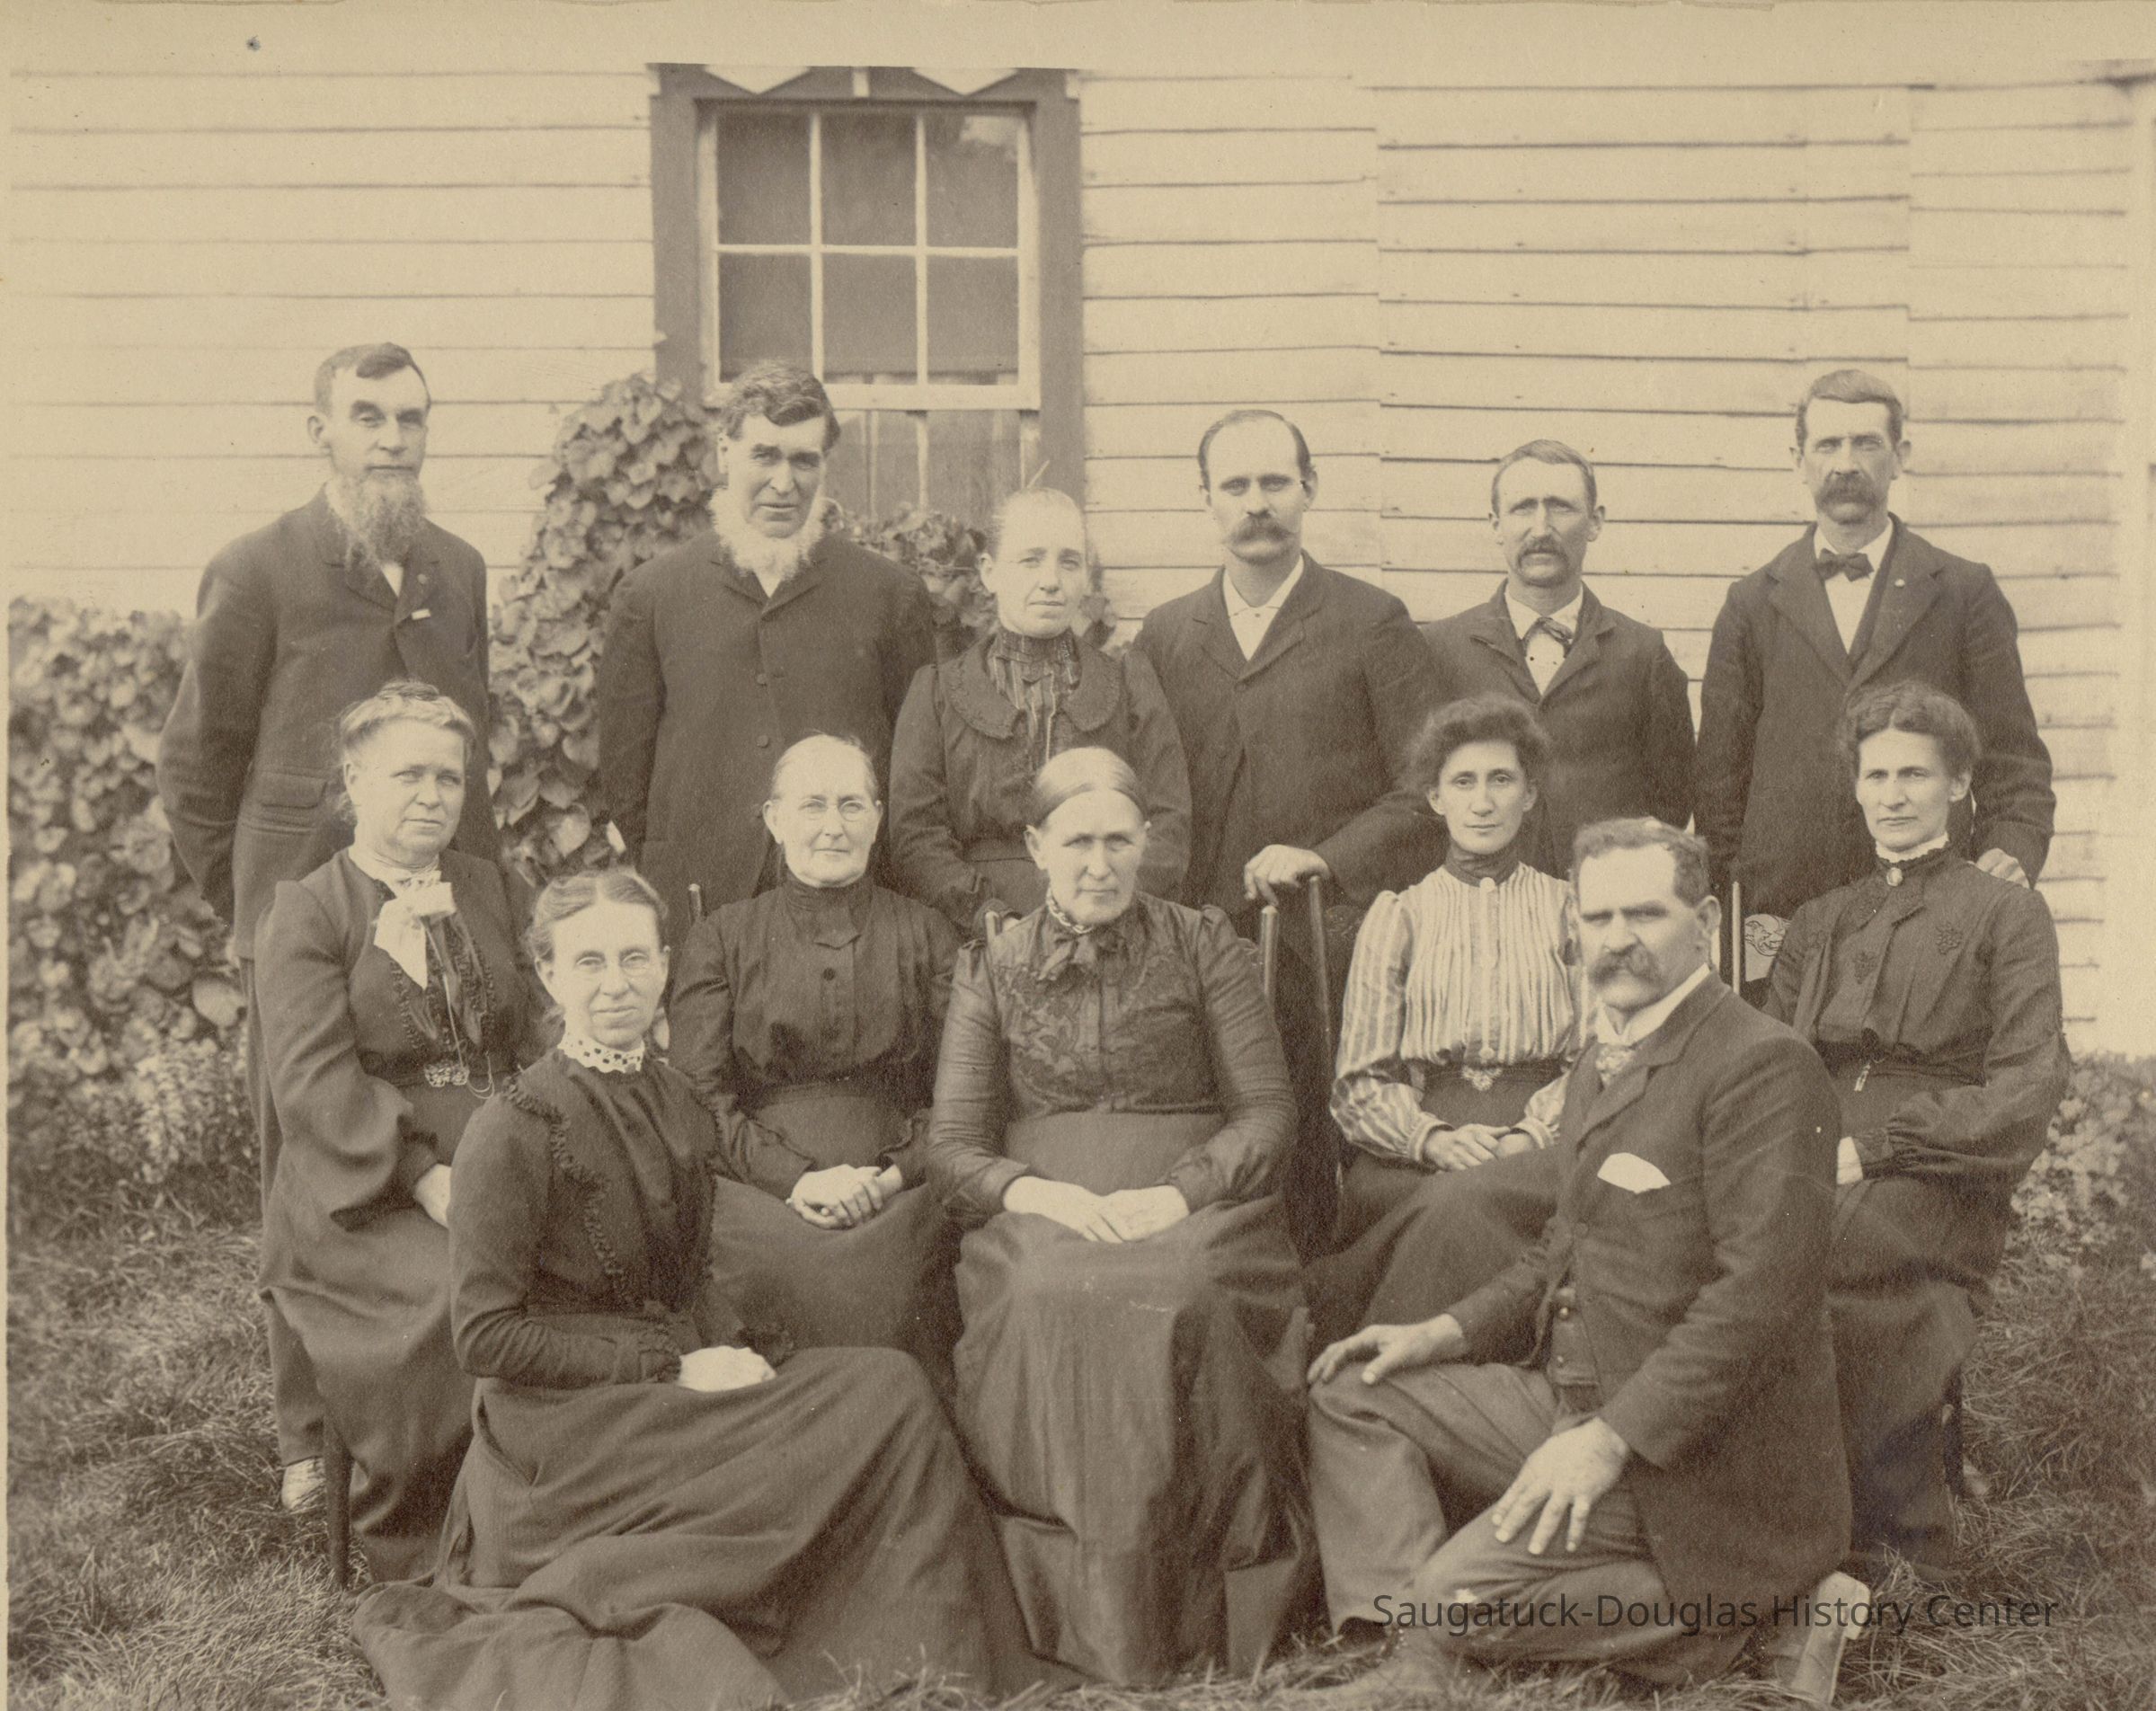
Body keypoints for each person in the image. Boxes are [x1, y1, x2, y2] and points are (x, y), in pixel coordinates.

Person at [353, 868, 1044, 1710]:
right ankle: (822, 1631)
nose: (616, 984)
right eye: (590, 963)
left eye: (634, 959)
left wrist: (738, 1331)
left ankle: (925, 1649)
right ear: (550, 975)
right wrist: (675, 1367)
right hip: (564, 1433)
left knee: (891, 1386)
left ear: (663, 967)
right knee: (865, 1410)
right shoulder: (513, 1127)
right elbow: (485, 1338)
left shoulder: (672, 1091)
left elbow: (709, 1224)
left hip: (661, 1384)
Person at [1306, 820, 1858, 1705]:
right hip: (1573, 1401)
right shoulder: (1605, 1055)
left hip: (1697, 1456)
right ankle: (1416, 1647)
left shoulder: (1764, 1064)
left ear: (1704, 923)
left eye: (1645, 913)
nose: (1616, 938)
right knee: (1352, 1390)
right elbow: (1562, 1243)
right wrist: (1439, 1331)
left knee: (1452, 1599)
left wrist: (1606, 1441)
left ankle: (1765, 1608)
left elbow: (1758, 1301)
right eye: (1597, 917)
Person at [156, 342, 498, 1509]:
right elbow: (196, 770)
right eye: (368, 416)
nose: (393, 439)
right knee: (302, 1173)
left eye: (411, 417)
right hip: (302, 923)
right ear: (323, 432)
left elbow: (471, 745)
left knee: (447, 1139)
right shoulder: (259, 569)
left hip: (440, 906)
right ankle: (309, 1434)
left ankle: (450, 1403)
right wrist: (255, 913)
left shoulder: (457, 569)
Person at [927, 747, 1314, 1685]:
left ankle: (1208, 1604)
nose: (1097, 865)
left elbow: (1267, 1113)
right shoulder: (994, 964)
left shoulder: (1203, 944)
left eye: (1116, 841)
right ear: (1034, 846)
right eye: (1075, 843)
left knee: (1188, 1286)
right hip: (1045, 1199)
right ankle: (1084, 1613)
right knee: (1039, 1289)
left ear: (1146, 842)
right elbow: (953, 1145)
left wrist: (1178, 1192)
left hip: (1194, 1196)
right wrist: (1044, 1193)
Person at [1764, 683, 2068, 1578]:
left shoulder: (2005, 913)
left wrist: (1874, 1147)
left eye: (1914, 774)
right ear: (1854, 786)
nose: (1891, 795)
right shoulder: (1820, 919)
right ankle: (1749, 1516)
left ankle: (1885, 1541)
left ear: (1958, 784)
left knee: (1826, 1256)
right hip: (1810, 1146)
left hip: (1937, 1172)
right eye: (1875, 775)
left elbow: (2024, 1088)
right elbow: (1765, 1064)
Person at [1132, 409, 1444, 1256]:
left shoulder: (1370, 619)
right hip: (1202, 944)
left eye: (1274, 482)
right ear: (1204, 499)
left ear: (1309, 489)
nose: (1256, 503)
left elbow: (1425, 791)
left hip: (1329, 944)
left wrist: (1324, 858)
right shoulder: (1166, 634)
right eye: (1234, 485)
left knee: (1318, 1148)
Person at [253, 684, 545, 1581]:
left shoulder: (493, 886)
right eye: (407, 775)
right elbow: (313, 1082)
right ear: (355, 780)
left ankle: (558, 1494)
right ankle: (441, 1529)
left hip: (502, 1143)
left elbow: (538, 1029)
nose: (431, 795)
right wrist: (423, 1175)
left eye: (448, 779)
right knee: (463, 1296)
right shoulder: (310, 909)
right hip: (366, 1180)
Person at [1697, 368, 2054, 981]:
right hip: (1781, 916)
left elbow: (2014, 761)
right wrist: (1738, 905)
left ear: (1899, 456)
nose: (1845, 463)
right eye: (1827, 445)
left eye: (1865, 443)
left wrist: (2007, 853)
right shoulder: (1750, 604)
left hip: (1931, 911)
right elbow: (1718, 787)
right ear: (1799, 460)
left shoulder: (1964, 592)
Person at [596, 360, 936, 932]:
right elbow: (626, 783)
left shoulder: (890, 595)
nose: (784, 483)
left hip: (852, 910)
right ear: (724, 453)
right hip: (700, 906)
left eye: (804, 460)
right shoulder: (650, 596)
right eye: (764, 455)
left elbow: (915, 773)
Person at [670, 734, 964, 1390]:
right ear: (775, 820)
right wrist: (796, 1181)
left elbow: (964, 1091)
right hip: (759, 1185)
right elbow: (696, 1096)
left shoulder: (927, 932)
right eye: (812, 806)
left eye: (851, 805)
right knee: (764, 1273)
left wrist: (890, 1177)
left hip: (903, 1184)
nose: (833, 826)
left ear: (877, 819)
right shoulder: (722, 937)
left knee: (902, 1280)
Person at [1307, 696, 1583, 1346]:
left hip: (1545, 1138)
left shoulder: (1571, 909)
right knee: (1426, 1198)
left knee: (1473, 1200)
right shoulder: (1399, 916)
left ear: (1529, 795)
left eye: (1500, 780)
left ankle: (1407, 1352)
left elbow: (1599, 1058)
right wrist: (1430, 1139)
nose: (1482, 802)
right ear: (1435, 798)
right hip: (1420, 1144)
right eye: (1462, 783)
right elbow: (1358, 1084)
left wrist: (1528, 1136)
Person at [889, 487, 1193, 933]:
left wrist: (1110, 912)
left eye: (1069, 562)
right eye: (1030, 560)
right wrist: (992, 919)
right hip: (975, 934)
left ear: (1085, 576)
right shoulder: (937, 692)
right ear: (989, 573)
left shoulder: (1130, 685)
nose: (1051, 580)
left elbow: (1168, 823)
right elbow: (916, 836)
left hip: (1112, 925)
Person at [1423, 440, 1693, 878]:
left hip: (1601, 897)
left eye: (1561, 507)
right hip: (1481, 895)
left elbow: (1672, 800)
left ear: (1595, 522)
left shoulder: (1642, 654)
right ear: (1496, 524)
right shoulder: (1441, 649)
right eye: (1522, 508)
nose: (1541, 528)